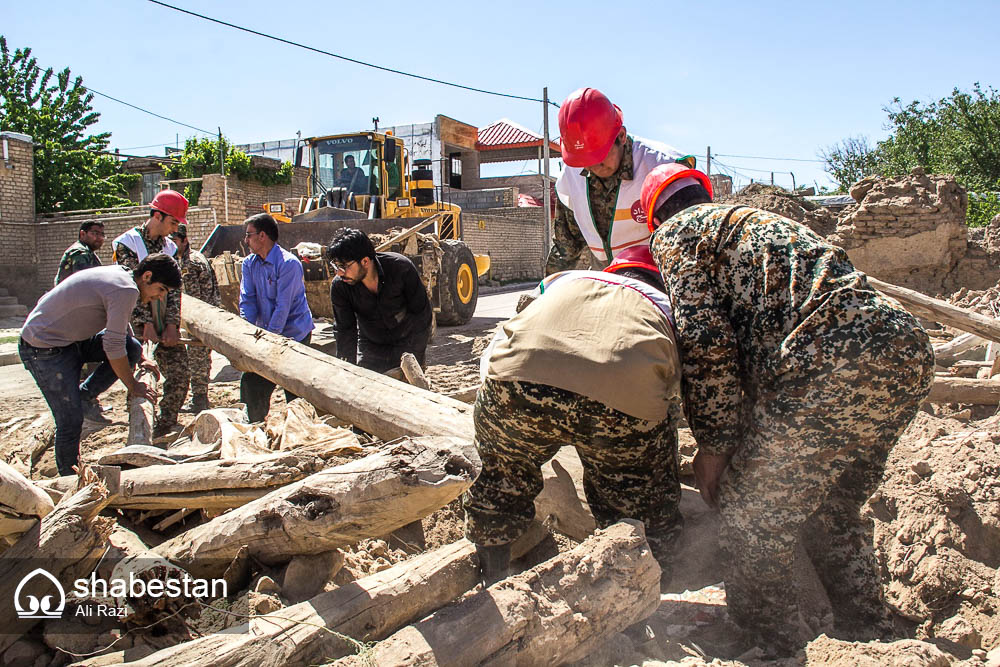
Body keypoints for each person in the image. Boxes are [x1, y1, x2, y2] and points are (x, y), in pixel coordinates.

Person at [641, 163, 936, 656]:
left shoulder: (676, 235)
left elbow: (707, 344)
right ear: (704, 194)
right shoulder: (750, 227)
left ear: (653, 218)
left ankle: (773, 647)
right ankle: (869, 632)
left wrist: (714, 447)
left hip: (828, 358)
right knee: (832, 505)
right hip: (903, 348)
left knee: (750, 514)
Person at [463, 247, 684, 584]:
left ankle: (491, 579)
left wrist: (496, 427)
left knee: (499, 479)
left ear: (614, 269)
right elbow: (681, 390)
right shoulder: (670, 306)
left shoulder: (563, 281)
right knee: (640, 501)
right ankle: (649, 591)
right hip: (621, 401)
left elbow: (514, 328)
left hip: (516, 379)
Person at [19, 254, 179, 475]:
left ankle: (84, 397)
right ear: (147, 276)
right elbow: (113, 347)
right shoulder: (127, 289)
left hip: (71, 341)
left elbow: (118, 328)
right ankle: (69, 478)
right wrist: (133, 386)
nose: (159, 297)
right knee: (70, 419)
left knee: (131, 347)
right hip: (44, 349)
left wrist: (141, 357)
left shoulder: (125, 279)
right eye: (160, 289)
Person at [546, 87, 694, 275]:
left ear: (621, 136)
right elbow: (566, 247)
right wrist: (547, 291)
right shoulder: (570, 177)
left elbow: (692, 247)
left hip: (660, 283)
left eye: (598, 157)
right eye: (584, 161)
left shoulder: (663, 166)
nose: (591, 167)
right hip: (610, 282)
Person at [112, 189, 190, 437]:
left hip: (163, 315)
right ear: (157, 215)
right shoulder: (128, 244)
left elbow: (175, 289)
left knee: (179, 373)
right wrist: (144, 324)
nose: (175, 228)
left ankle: (166, 424)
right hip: (136, 321)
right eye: (173, 221)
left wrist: (171, 324)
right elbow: (131, 288)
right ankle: (140, 429)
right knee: (141, 377)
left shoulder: (169, 247)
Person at [238, 213, 313, 422]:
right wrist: (248, 333)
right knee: (252, 383)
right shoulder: (249, 264)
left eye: (249, 235)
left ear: (262, 236)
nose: (246, 240)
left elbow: (283, 306)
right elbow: (247, 300)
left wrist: (270, 339)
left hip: (294, 334)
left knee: (295, 388)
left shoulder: (289, 264)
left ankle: (300, 430)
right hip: (266, 335)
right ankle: (254, 424)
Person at [327, 227, 432, 373]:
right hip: (371, 347)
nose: (339, 272)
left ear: (365, 261)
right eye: (336, 266)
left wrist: (416, 356)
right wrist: (347, 370)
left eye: (344, 266)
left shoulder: (401, 268)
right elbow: (345, 330)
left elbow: (422, 314)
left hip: (407, 343)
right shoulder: (340, 286)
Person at [169, 223, 221, 413]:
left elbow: (191, 299)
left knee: (197, 359)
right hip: (198, 317)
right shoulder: (185, 259)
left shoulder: (190, 263)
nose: (170, 244)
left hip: (198, 318)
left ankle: (199, 399)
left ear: (184, 240)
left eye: (174, 240)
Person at [55, 221, 105, 285]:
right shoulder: (80, 252)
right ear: (83, 234)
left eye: (102, 234)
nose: (100, 238)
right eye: (95, 233)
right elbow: (84, 284)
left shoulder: (88, 252)